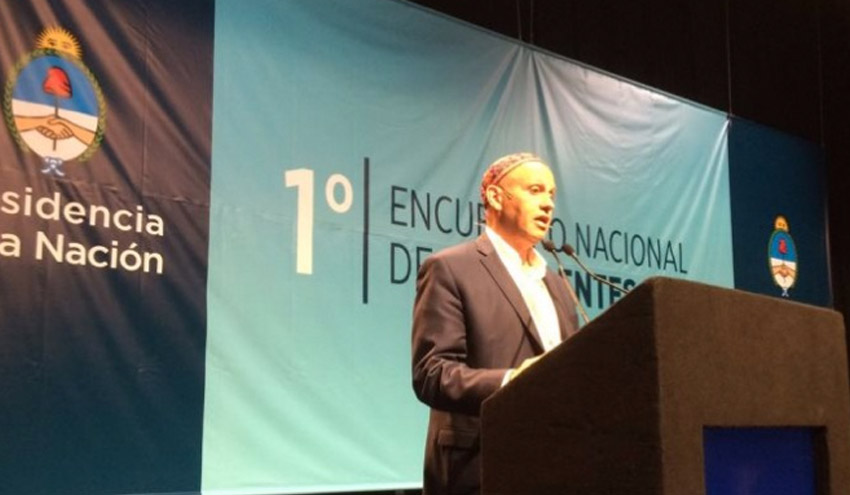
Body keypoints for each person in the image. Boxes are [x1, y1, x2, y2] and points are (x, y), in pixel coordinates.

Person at [411, 152, 579, 495]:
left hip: (555, 466)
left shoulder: (558, 284)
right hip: (479, 467)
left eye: (551, 194)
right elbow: (432, 374)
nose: (548, 203)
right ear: (496, 197)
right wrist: (511, 381)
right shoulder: (450, 268)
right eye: (535, 190)